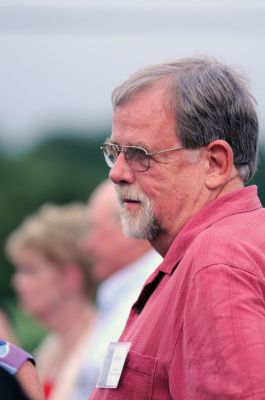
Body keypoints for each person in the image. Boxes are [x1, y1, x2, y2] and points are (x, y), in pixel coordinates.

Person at [89, 56, 265, 399]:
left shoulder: (217, 261)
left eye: (140, 153)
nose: (117, 172)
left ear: (214, 164)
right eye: (114, 151)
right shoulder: (221, 250)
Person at [71, 180, 162, 399]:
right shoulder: (124, 294)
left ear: (129, 226)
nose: (86, 245)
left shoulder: (149, 294)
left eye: (93, 228)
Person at [5, 203, 97, 400]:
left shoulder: (101, 344)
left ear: (70, 276)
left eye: (30, 270)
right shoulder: (51, 345)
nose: (17, 282)